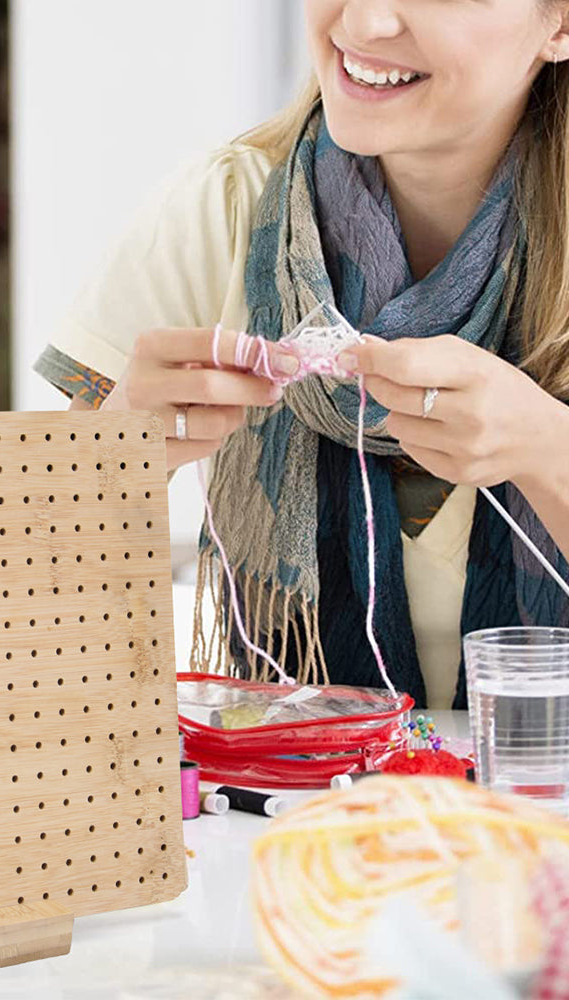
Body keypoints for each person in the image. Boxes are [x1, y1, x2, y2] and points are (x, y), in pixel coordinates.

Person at [35, 0, 569, 710]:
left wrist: (548, 452)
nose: (367, 21)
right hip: (284, 805)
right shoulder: (220, 209)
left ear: (558, 23)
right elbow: (30, 584)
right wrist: (120, 454)